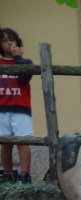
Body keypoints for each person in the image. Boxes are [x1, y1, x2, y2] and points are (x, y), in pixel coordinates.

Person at [0, 28, 34, 184]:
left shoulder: (26, 62)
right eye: (5, 41)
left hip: (21, 108)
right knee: (6, 143)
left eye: (12, 40)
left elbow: (24, 78)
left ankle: (24, 174)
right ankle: (7, 174)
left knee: (23, 142)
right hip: (2, 108)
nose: (9, 43)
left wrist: (18, 57)